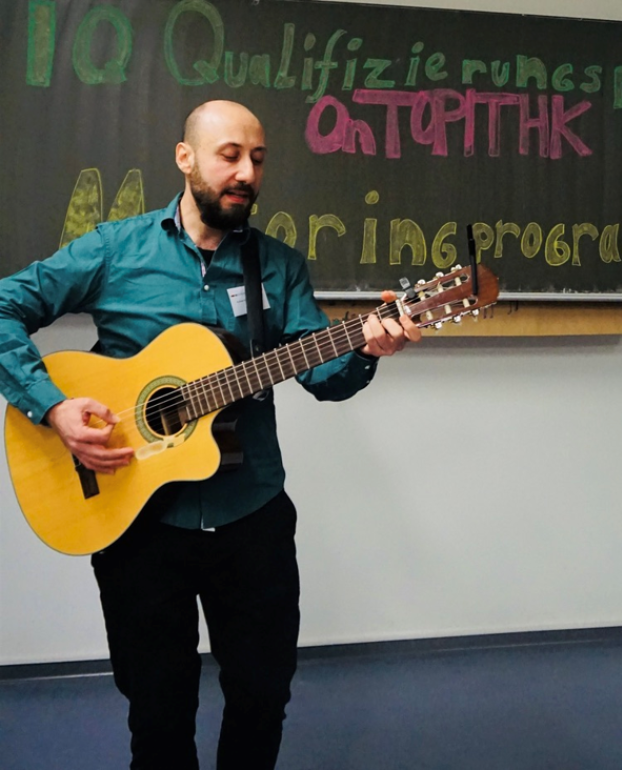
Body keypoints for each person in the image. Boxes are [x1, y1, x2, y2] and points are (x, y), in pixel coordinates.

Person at [0, 100, 421, 769]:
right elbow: (4, 307)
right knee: (158, 711)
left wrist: (368, 347)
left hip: (250, 516)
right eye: (229, 155)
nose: (246, 172)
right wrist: (51, 407)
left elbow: (325, 377)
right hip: (138, 523)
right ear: (186, 157)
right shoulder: (116, 249)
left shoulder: (277, 267)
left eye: (257, 158)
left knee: (261, 697)